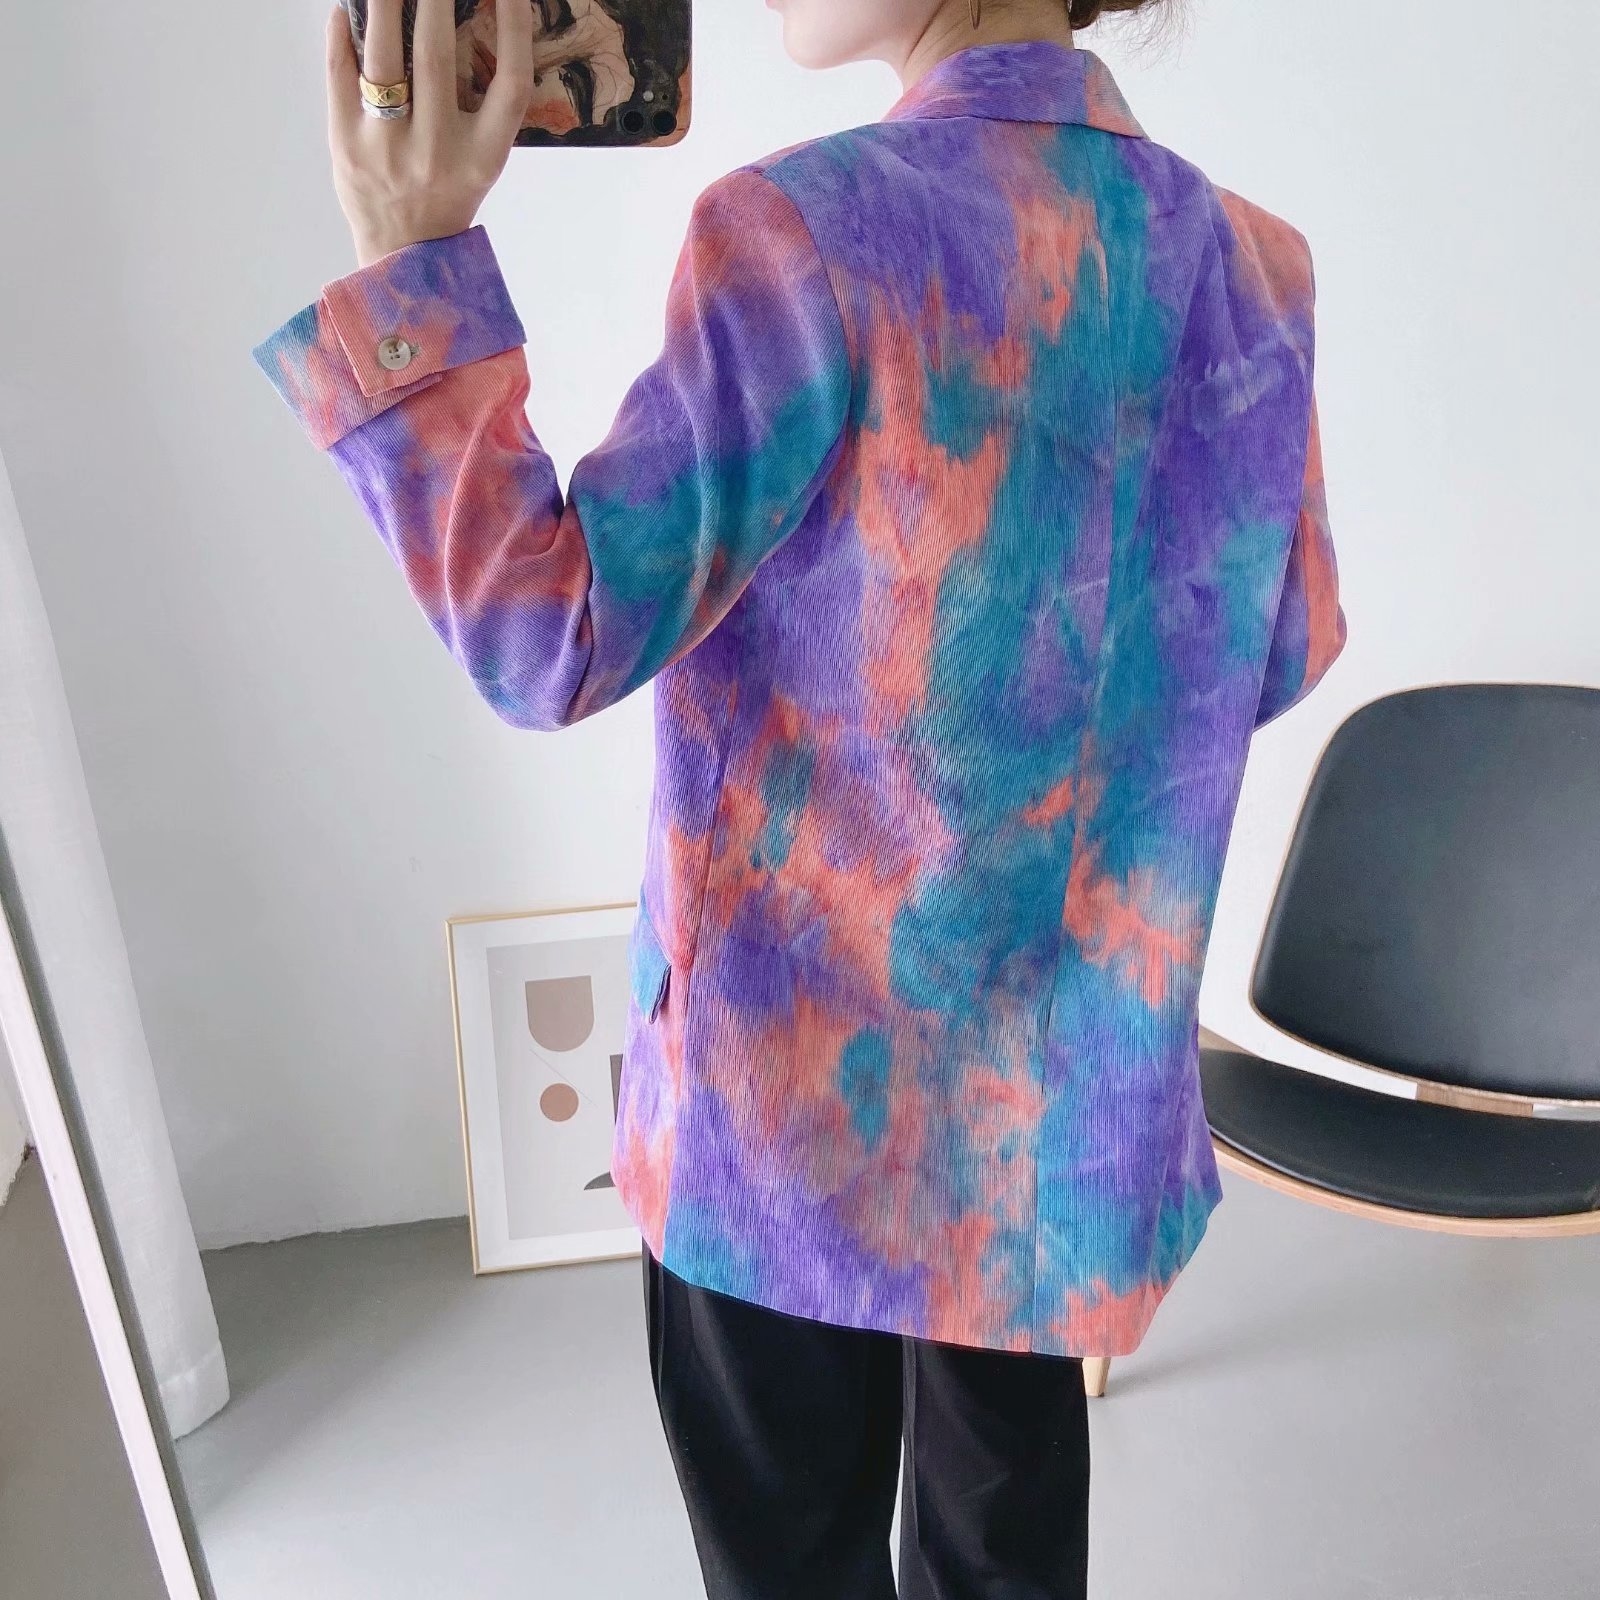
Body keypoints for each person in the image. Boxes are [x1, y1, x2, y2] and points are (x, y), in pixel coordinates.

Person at [251, 0, 1348, 1593]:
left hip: (783, 1108)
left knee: (790, 1556)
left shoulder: (802, 234)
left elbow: (547, 636)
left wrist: (410, 264)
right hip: (1052, 1119)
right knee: (1005, 1549)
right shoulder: (1254, 265)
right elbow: (1282, 641)